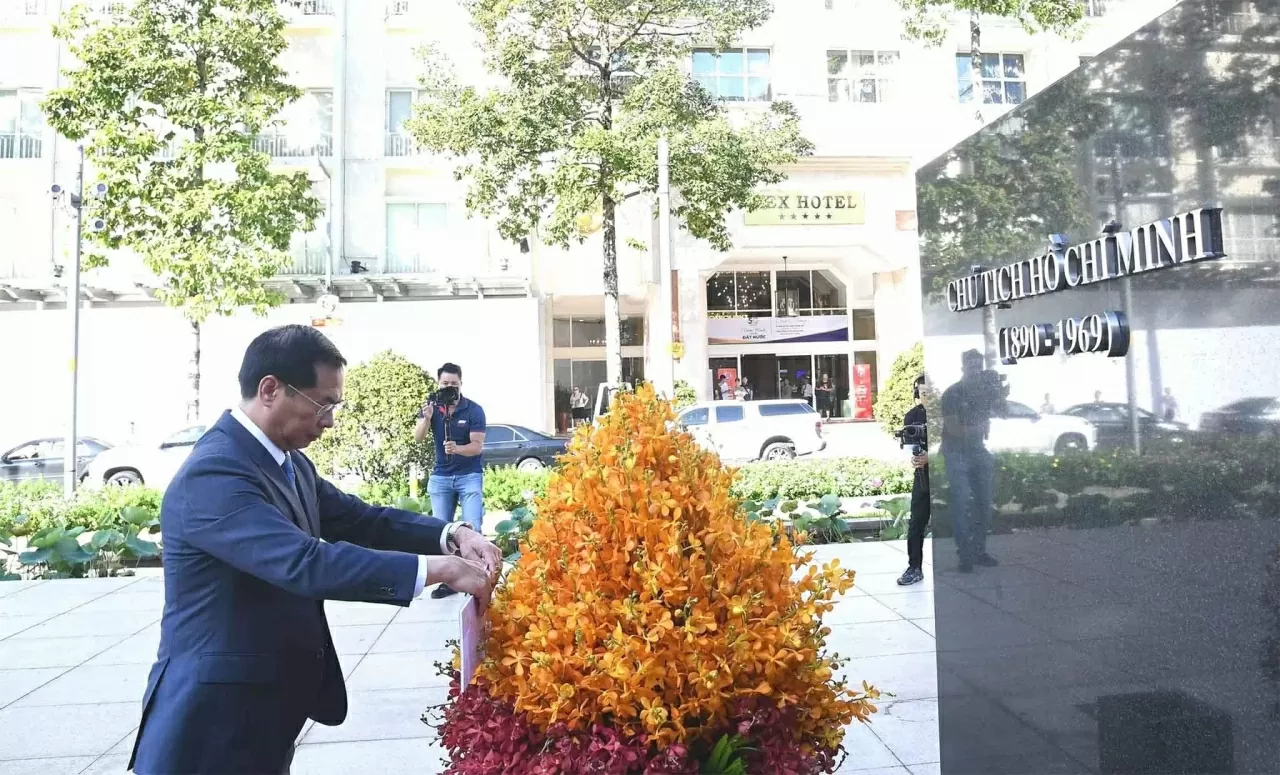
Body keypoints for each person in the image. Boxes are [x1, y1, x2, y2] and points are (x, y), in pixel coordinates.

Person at [128, 325, 502, 775]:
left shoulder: (287, 462)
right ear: (270, 390)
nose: (329, 421)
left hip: (262, 711)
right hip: (210, 725)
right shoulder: (214, 473)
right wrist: (440, 570)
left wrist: (453, 534)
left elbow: (360, 519)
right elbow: (304, 562)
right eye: (323, 404)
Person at [413, 363, 488, 598]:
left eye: (453, 384)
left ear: (461, 384)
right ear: (438, 384)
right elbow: (417, 438)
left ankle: (479, 577)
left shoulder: (474, 410)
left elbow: (477, 447)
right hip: (441, 477)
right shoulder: (431, 407)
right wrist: (426, 419)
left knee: (473, 526)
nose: (449, 387)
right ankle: (450, 581)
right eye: (445, 383)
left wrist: (457, 449)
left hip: (469, 476)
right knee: (442, 532)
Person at [940, 350, 1005, 573]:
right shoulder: (952, 394)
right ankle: (965, 553)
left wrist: (999, 392)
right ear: (963, 368)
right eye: (971, 366)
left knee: (984, 503)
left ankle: (978, 550)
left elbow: (1003, 412)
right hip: (955, 452)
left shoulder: (984, 392)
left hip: (978, 450)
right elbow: (953, 429)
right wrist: (980, 428)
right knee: (960, 503)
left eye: (979, 366)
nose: (975, 371)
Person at [898, 375, 930, 586]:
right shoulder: (912, 416)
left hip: (948, 473)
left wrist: (932, 456)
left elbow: (957, 446)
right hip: (922, 475)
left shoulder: (949, 413)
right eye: (923, 393)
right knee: (916, 521)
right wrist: (916, 457)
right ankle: (914, 567)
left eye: (930, 393)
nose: (927, 397)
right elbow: (909, 445)